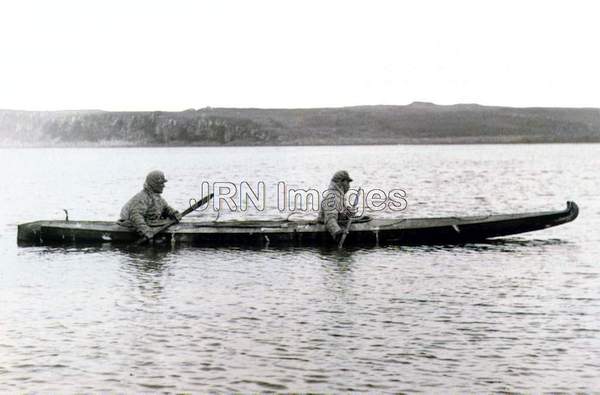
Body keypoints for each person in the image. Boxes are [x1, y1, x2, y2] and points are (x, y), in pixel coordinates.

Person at [118, 170, 181, 240]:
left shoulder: (157, 197)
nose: (164, 186)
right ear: (154, 184)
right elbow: (136, 216)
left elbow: (165, 208)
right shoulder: (142, 198)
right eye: (161, 183)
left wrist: (174, 213)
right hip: (132, 226)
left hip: (150, 223)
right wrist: (146, 231)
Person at [318, 170, 357, 241]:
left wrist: (349, 213)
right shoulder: (332, 197)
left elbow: (340, 213)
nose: (349, 185)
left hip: (338, 224)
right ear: (341, 182)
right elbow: (330, 218)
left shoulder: (339, 196)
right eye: (347, 182)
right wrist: (338, 233)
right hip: (331, 228)